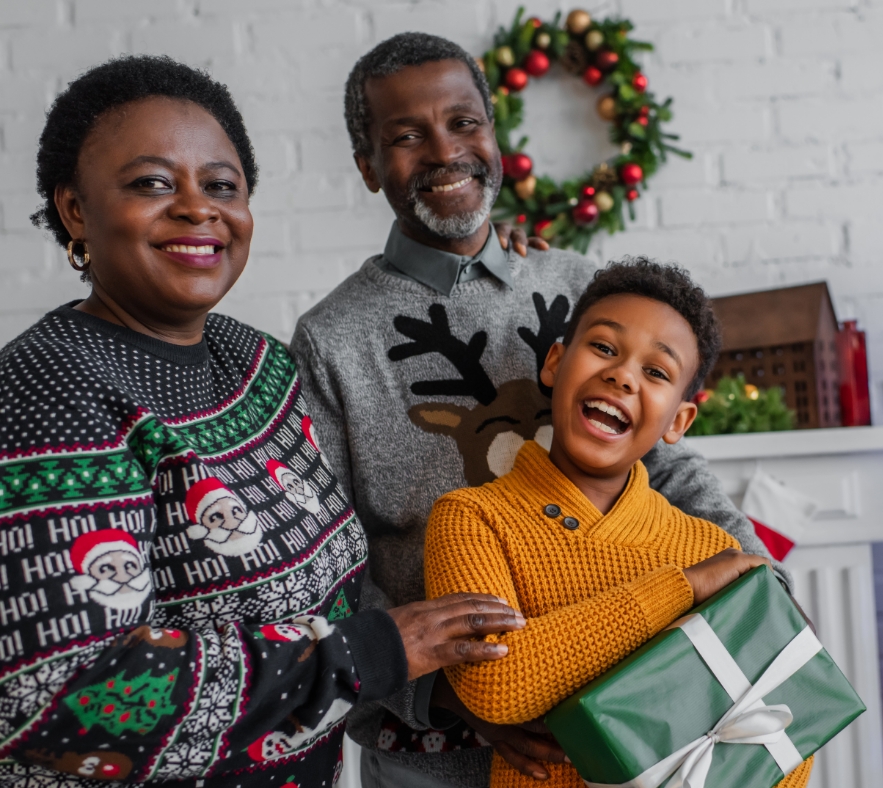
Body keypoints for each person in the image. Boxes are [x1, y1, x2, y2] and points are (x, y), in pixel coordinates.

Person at [0, 55, 524, 788]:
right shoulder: (46, 394)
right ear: (76, 209)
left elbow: (337, 576)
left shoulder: (257, 363)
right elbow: (37, 691)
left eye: (221, 186)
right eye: (151, 183)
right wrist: (369, 654)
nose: (196, 208)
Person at [289, 32, 790, 788]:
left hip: (617, 711)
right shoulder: (331, 340)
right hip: (434, 752)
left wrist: (755, 577)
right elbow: (330, 563)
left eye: (464, 123)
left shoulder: (575, 283)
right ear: (367, 167)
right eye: (405, 136)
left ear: (495, 136)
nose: (444, 151)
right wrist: (454, 693)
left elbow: (664, 459)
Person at [423, 259, 815, 788]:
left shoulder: (711, 546)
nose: (623, 375)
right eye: (604, 348)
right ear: (555, 364)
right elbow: (496, 680)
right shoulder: (472, 520)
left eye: (656, 372)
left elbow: (786, 740)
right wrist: (683, 589)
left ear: (678, 420)